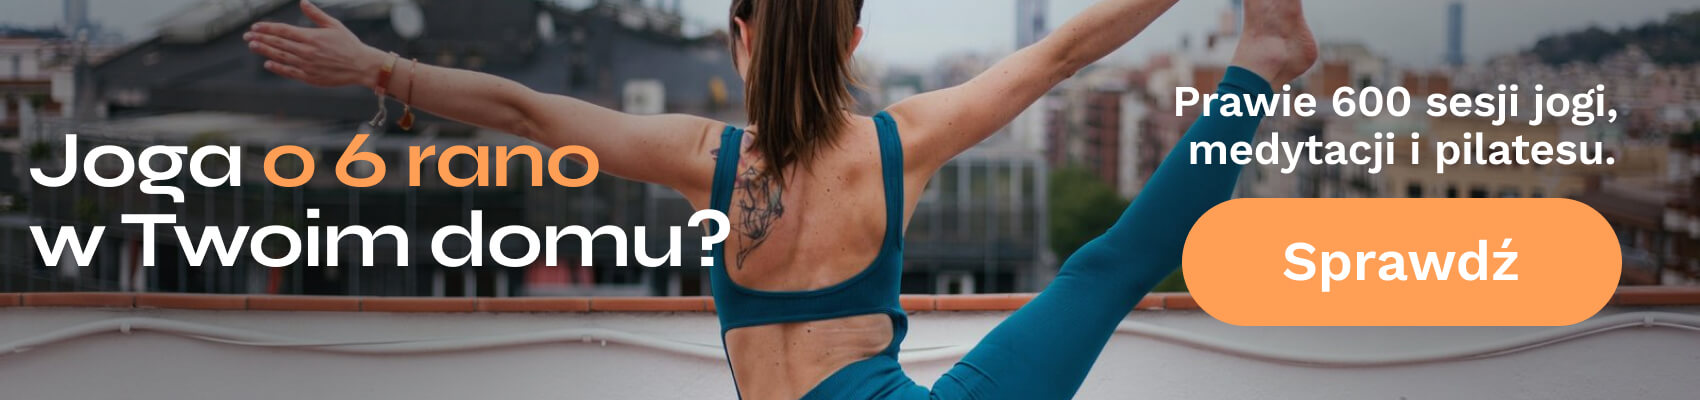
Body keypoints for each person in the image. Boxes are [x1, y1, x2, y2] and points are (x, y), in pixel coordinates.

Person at [245, 0, 1316, 398]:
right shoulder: (900, 144)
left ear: (738, 36)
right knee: (1108, 268)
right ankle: (1263, 53)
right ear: (855, 40)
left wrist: (381, 67)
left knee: (1104, 269)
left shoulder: (699, 155)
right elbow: (1060, 53)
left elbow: (526, 111)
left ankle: (1267, 49)